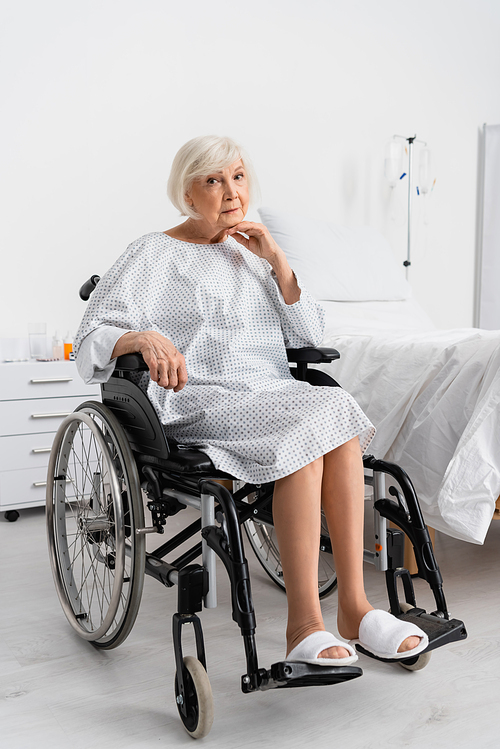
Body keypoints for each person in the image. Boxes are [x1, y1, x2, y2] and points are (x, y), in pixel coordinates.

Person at [75, 135, 427, 666]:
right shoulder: (152, 252)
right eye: (213, 180)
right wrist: (140, 338)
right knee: (306, 428)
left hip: (269, 392)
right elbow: (89, 336)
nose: (231, 190)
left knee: (334, 414)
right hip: (199, 395)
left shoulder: (252, 254)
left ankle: (354, 605)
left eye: (238, 176)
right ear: (187, 194)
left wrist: (279, 261)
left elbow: (311, 331)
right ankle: (304, 624)